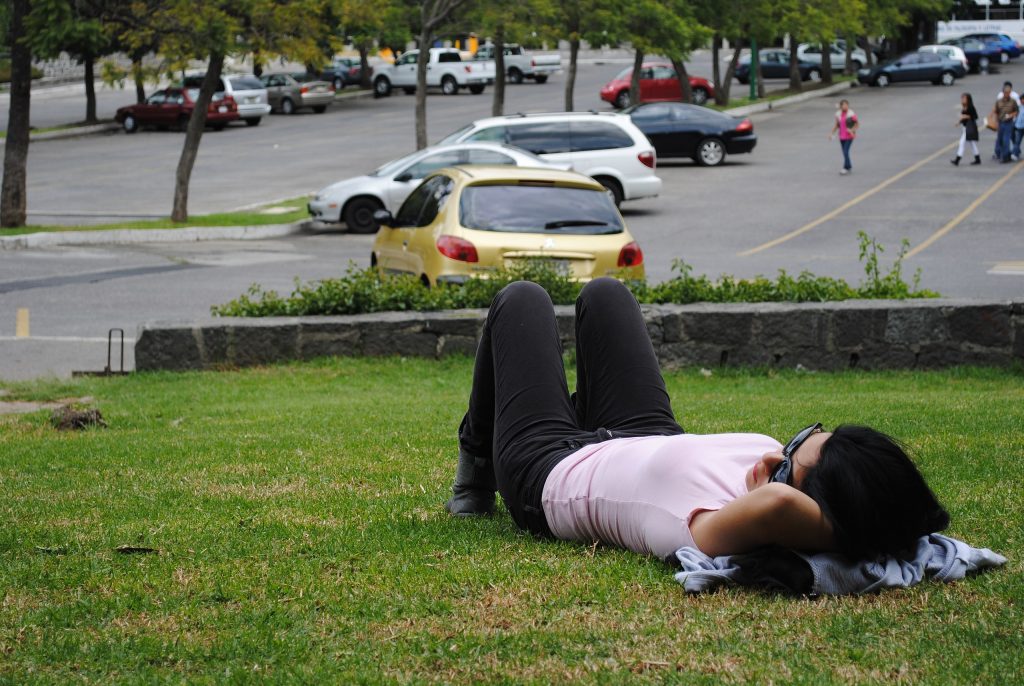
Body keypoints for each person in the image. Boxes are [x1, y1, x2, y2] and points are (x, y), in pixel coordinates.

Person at [445, 278, 950, 560]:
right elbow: (791, 488)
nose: (772, 456)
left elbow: (778, 508)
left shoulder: (714, 529)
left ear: (809, 515)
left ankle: (476, 462)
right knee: (607, 294)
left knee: (522, 300)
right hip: (645, 431)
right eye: (799, 440)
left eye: (784, 471)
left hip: (549, 468)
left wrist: (859, 526)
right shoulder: (777, 476)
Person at [828, 99, 859, 175]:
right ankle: (849, 166)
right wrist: (831, 133)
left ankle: (845, 167)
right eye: (843, 105)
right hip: (842, 136)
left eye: (846, 105)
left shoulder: (851, 114)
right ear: (841, 106)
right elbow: (837, 125)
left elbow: (857, 124)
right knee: (845, 152)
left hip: (850, 136)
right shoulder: (838, 114)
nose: (845, 106)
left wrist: (852, 130)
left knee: (845, 151)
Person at [991, 82, 1020, 162]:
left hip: (1009, 123)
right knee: (999, 139)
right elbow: (996, 111)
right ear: (1003, 93)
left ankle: (1005, 157)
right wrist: (995, 121)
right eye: (1006, 92)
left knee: (1006, 140)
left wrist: (1011, 115)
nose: (1008, 94)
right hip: (1000, 122)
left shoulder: (1013, 101)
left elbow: (1017, 111)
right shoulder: (999, 101)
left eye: (1009, 92)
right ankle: (1000, 153)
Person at [952, 93, 981, 166]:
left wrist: (966, 116)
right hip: (965, 128)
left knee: (962, 143)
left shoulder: (971, 107)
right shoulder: (964, 107)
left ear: (968, 99)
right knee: (972, 144)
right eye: (962, 98)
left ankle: (957, 160)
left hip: (969, 128)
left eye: (964, 98)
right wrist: (959, 122)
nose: (962, 100)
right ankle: (977, 158)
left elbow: (975, 117)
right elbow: (963, 118)